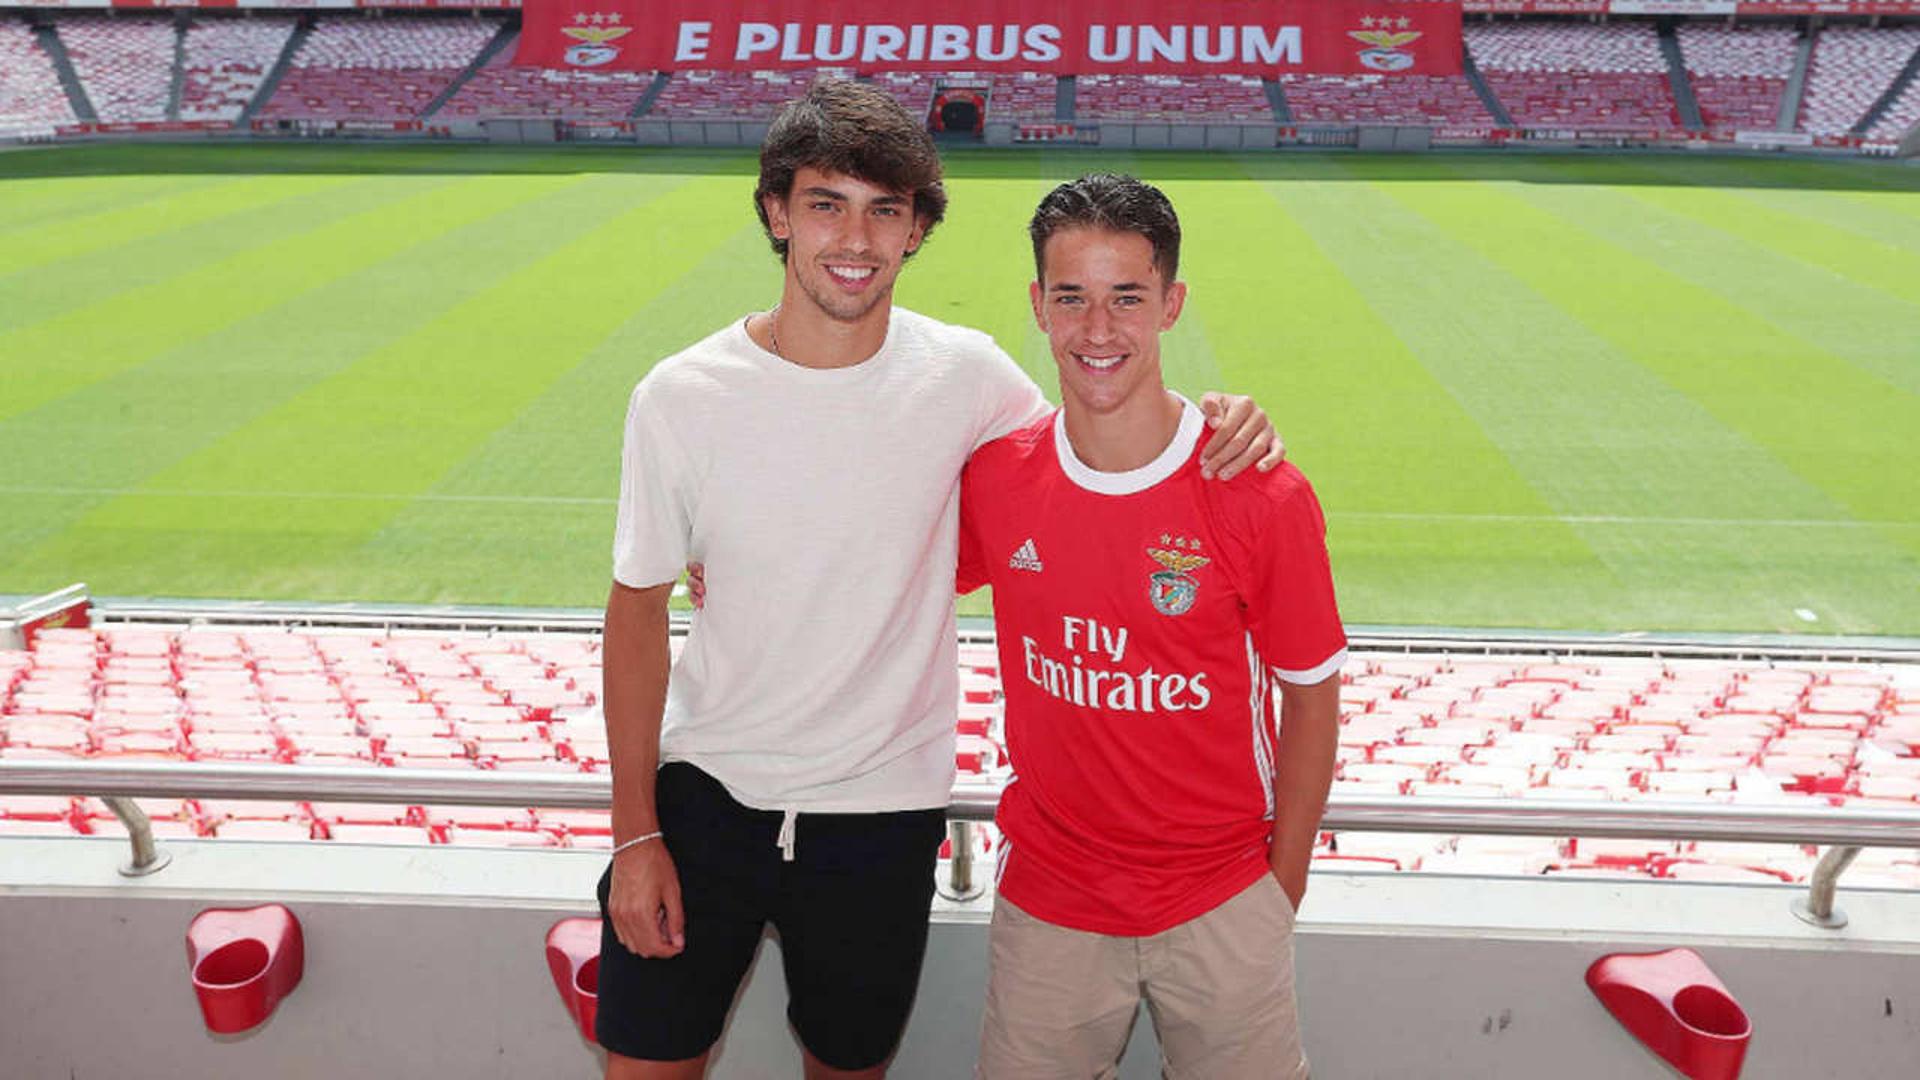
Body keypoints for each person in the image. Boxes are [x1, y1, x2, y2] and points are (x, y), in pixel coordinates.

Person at [597, 84, 1284, 1079]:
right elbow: (635, 612)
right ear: (777, 212)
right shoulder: (680, 397)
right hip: (705, 802)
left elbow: (1098, 439)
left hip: (881, 815)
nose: (857, 237)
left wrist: (1223, 418)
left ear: (916, 229)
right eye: (828, 203)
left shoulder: (967, 376)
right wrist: (635, 835)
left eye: (887, 209)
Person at [959, 173, 1345, 1080]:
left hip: (1220, 903)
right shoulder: (997, 479)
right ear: (1038, 308)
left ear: (1171, 305)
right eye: (1072, 299)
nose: (1098, 331)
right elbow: (878, 574)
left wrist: (1274, 893)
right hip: (1049, 903)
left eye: (1127, 297)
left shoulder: (1259, 493)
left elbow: (1312, 698)